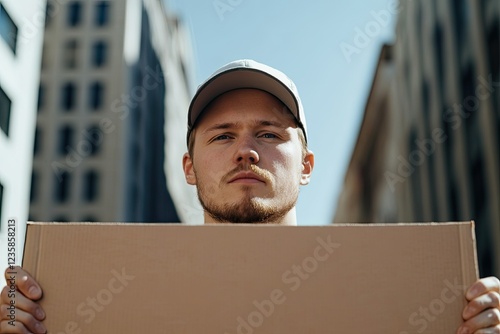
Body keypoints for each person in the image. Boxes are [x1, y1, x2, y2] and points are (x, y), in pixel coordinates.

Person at [1, 59, 499, 333]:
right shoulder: (108, 294)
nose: (246, 152)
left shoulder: (404, 294)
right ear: (189, 169)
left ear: (306, 166)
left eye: (269, 134)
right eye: (222, 136)